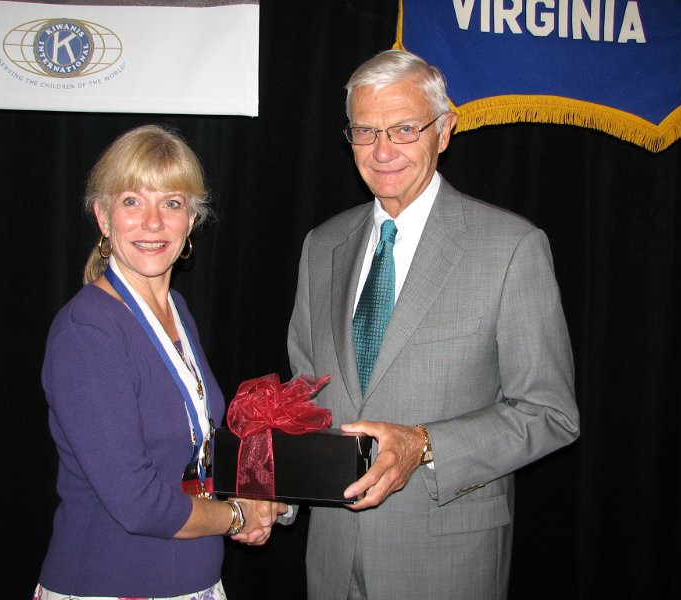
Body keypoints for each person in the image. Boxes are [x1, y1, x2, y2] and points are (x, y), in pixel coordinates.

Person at [287, 50, 580, 599]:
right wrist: (271, 490)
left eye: (403, 128)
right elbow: (309, 402)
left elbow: (550, 414)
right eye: (365, 131)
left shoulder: (511, 247)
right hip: (330, 558)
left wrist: (424, 444)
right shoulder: (322, 246)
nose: (382, 151)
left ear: (444, 131)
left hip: (446, 563)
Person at [35, 124, 287, 600]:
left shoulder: (176, 312)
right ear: (103, 217)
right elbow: (139, 503)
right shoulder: (87, 332)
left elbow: (193, 453)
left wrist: (262, 494)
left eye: (171, 203)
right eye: (132, 201)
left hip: (191, 583)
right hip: (112, 585)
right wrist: (237, 515)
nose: (153, 222)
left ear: (190, 220)